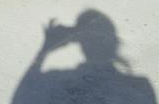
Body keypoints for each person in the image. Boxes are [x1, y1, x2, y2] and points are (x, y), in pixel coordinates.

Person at [12, 10, 156, 104]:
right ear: (115, 41)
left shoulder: (57, 79)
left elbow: (20, 97)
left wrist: (45, 49)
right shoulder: (141, 86)